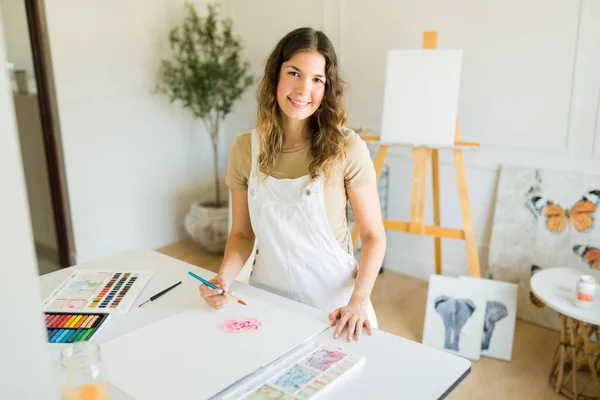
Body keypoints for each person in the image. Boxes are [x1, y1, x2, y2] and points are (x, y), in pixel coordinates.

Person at [199, 27, 386, 342]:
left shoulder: (347, 147)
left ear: (327, 88)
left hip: (336, 310)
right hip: (266, 301)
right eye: (294, 73)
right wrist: (223, 277)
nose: (303, 89)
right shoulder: (245, 149)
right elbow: (243, 234)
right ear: (275, 75)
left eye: (317, 80)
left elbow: (373, 237)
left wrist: (358, 302)